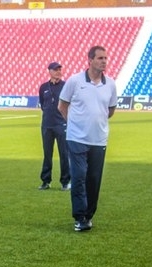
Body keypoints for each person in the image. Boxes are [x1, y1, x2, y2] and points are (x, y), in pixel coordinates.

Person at [58, 46, 117, 232]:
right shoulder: (75, 81)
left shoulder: (111, 84)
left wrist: (96, 121)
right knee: (79, 177)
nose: (104, 61)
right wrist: (74, 125)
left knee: (93, 179)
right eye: (100, 58)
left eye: (105, 58)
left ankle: (88, 215)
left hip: (99, 140)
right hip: (76, 139)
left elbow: (111, 110)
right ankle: (79, 217)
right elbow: (62, 106)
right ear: (90, 60)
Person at [38, 62, 70, 191]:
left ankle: (65, 182)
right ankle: (46, 181)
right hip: (47, 125)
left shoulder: (66, 86)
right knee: (47, 154)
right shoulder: (43, 87)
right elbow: (43, 104)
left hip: (61, 124)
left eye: (59, 69)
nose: (58, 72)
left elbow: (69, 103)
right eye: (55, 69)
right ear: (49, 71)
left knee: (64, 154)